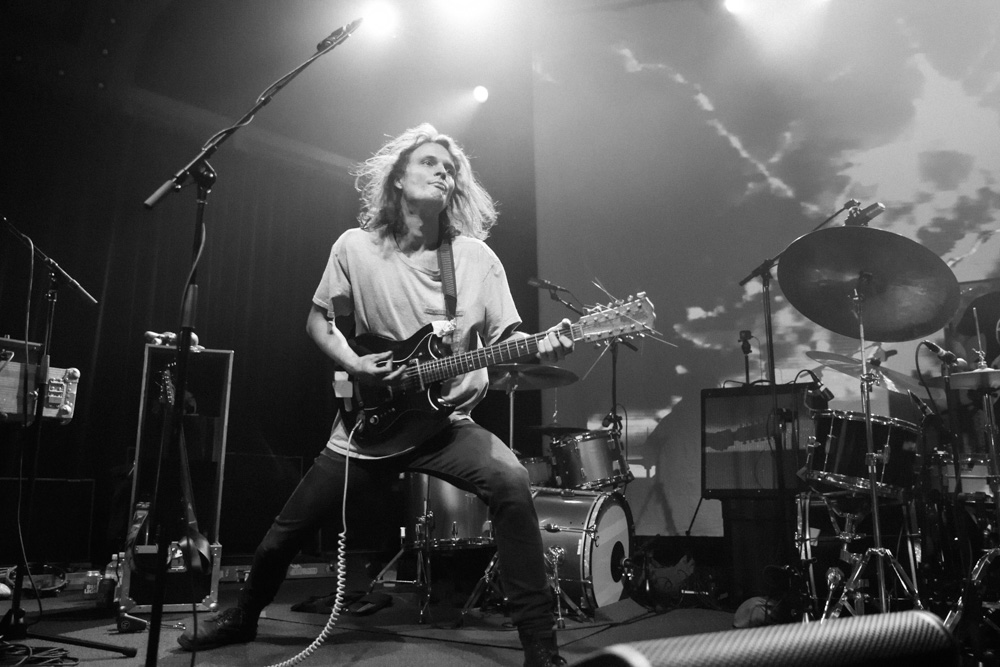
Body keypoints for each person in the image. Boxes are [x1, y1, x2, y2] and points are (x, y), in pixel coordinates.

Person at [177, 124, 574, 667]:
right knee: (282, 536)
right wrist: (356, 364)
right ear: (398, 177)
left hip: (445, 425)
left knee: (512, 481)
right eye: (431, 162)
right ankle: (243, 617)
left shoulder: (478, 259)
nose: (444, 172)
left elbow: (505, 339)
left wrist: (541, 347)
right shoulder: (355, 247)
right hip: (370, 427)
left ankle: (540, 645)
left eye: (451, 168)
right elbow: (319, 323)